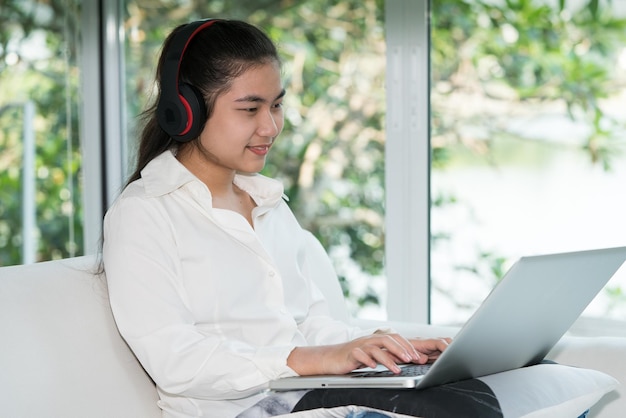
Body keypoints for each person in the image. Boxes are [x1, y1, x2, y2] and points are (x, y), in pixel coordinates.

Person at [102, 19, 450, 418]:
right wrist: (312, 359)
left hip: (311, 400)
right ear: (186, 111)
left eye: (277, 105)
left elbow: (311, 326)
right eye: (250, 109)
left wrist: (382, 346)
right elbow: (176, 361)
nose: (270, 127)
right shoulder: (145, 213)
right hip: (245, 410)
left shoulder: (269, 203)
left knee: (495, 388)